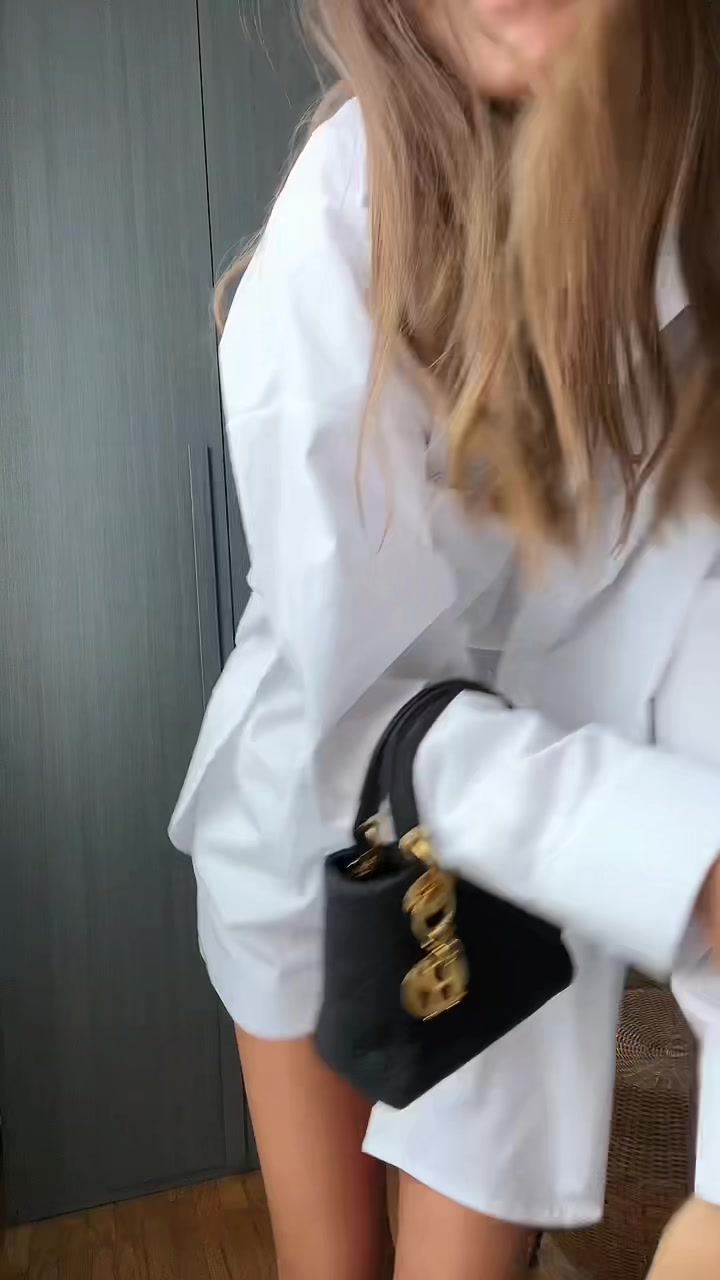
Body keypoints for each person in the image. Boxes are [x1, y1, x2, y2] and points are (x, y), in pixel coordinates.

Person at [170, 2, 720, 1277]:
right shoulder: (348, 202)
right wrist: (679, 853)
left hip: (538, 896)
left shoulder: (692, 226)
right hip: (314, 836)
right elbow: (358, 709)